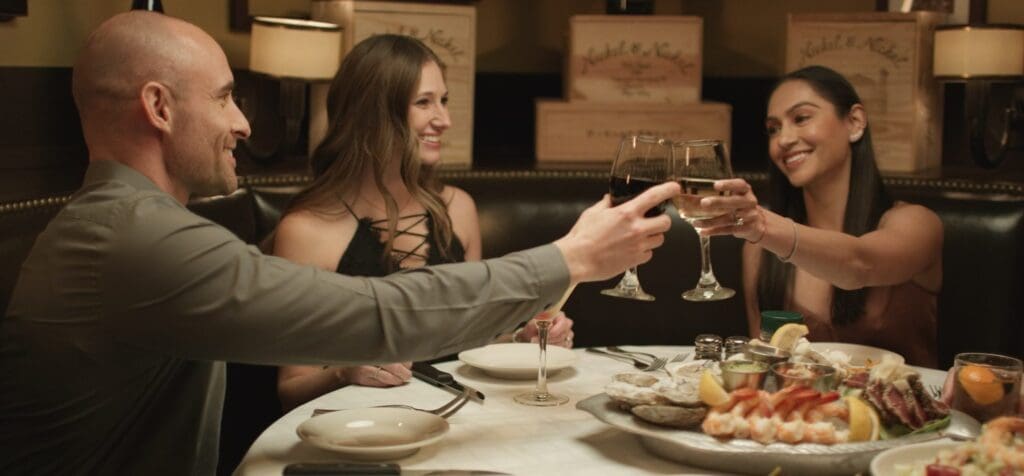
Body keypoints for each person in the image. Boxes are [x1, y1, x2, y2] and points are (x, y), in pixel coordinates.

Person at [0, 11, 679, 475]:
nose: (241, 122)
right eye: (226, 97)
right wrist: (570, 257)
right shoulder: (134, 240)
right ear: (158, 107)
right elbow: (376, 316)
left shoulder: (129, 225)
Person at [271, 34, 574, 411]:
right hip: (360, 431)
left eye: (444, 100)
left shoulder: (457, 209)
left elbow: (471, 345)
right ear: (375, 113)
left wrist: (522, 341)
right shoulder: (306, 229)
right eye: (424, 103)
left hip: (459, 420)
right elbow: (291, 388)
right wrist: (345, 372)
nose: (444, 120)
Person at [695, 65, 943, 367]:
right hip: (803, 411)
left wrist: (761, 225)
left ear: (854, 122)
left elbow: (859, 264)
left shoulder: (916, 223)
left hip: (906, 412)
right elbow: (765, 368)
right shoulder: (760, 251)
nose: (783, 139)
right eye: (773, 129)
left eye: (801, 118)